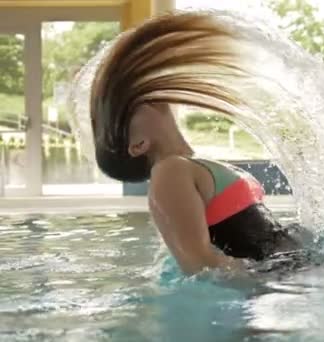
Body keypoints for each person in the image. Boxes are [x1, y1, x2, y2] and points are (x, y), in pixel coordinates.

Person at [88, 12, 303, 275]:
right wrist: (269, 283)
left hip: (293, 271)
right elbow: (198, 263)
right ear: (139, 145)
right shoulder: (169, 172)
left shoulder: (185, 167)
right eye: (130, 108)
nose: (139, 95)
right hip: (286, 278)